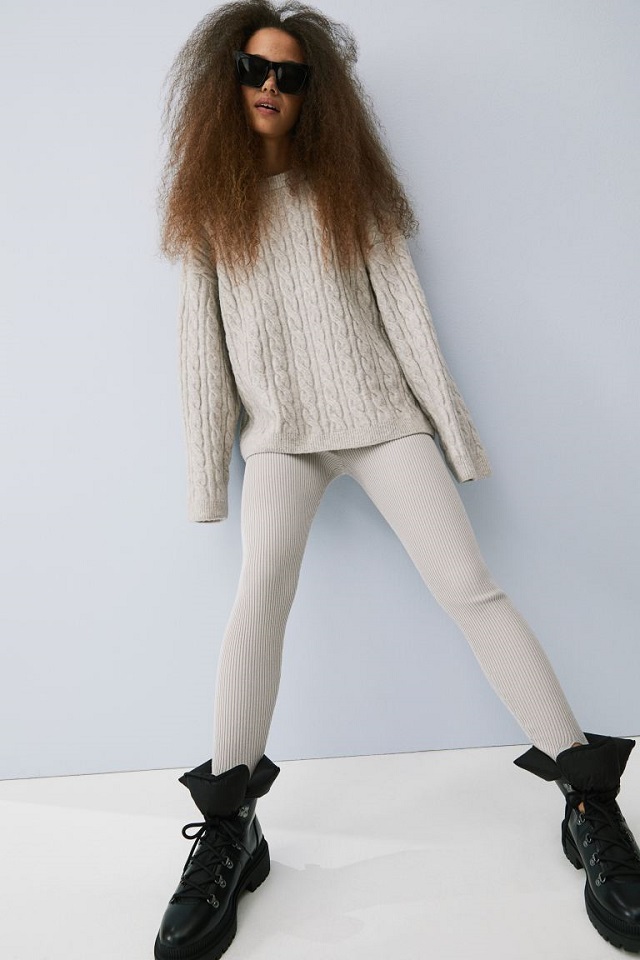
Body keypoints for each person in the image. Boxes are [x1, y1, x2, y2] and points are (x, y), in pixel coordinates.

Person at [154, 2, 640, 958]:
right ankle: (230, 829)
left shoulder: (350, 191)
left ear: (315, 93)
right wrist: (207, 481)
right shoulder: (209, 207)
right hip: (281, 440)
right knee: (258, 599)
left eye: (291, 75)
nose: (270, 87)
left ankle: (588, 802)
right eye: (255, 69)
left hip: (383, 421)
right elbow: (199, 354)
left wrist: (455, 442)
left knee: (470, 587)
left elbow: (411, 324)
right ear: (226, 79)